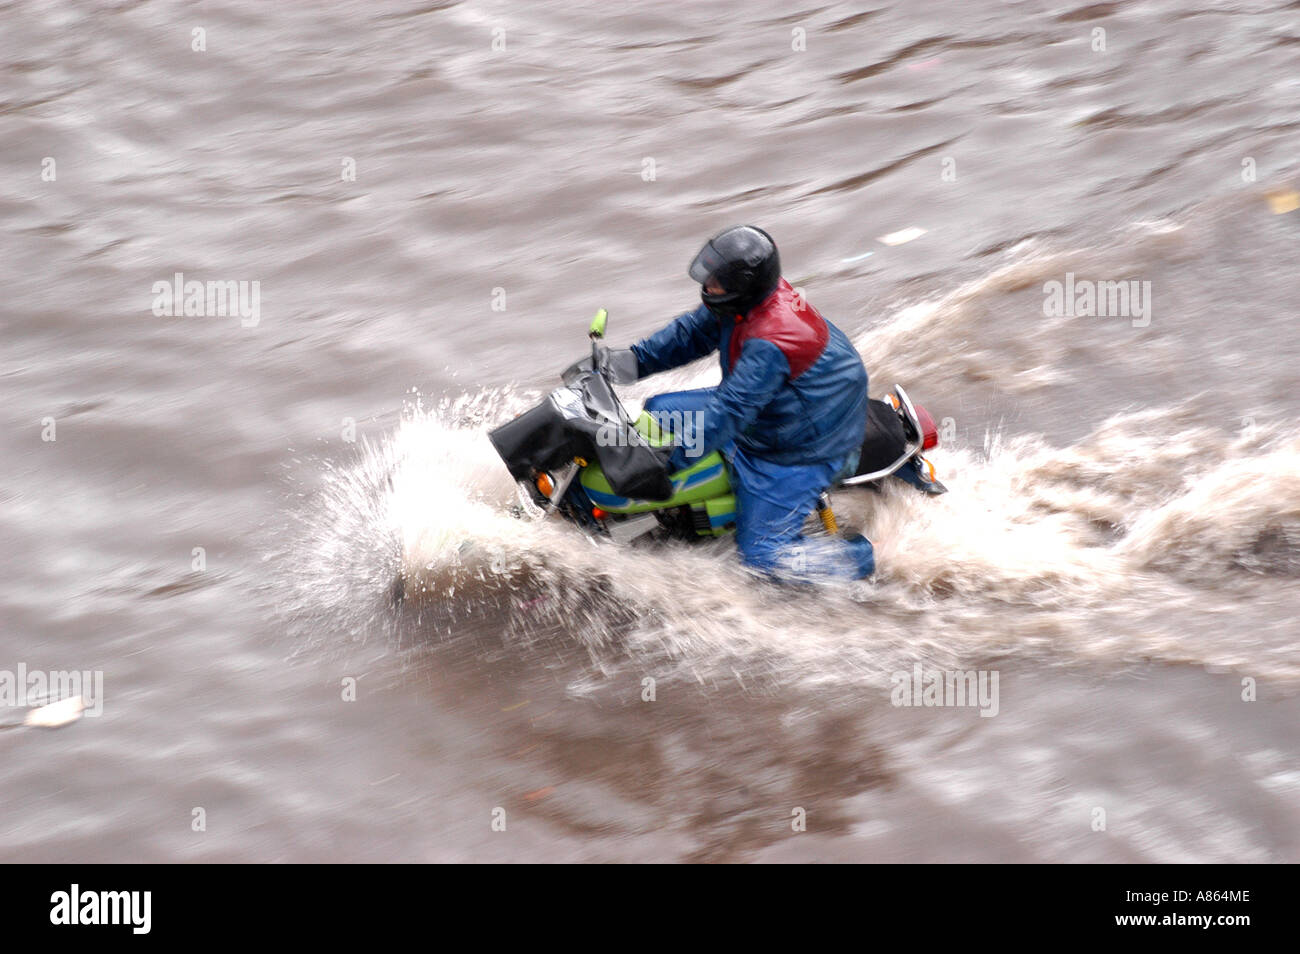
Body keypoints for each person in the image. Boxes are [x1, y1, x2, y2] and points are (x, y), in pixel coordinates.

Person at [596, 225, 875, 582]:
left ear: (744, 285)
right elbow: (689, 335)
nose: (708, 285)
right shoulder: (741, 304)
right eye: (710, 275)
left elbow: (731, 411)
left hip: (799, 446)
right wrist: (628, 362)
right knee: (659, 411)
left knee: (763, 559)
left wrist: (672, 459)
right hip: (776, 410)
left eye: (717, 280)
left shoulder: (772, 339)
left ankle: (866, 558)